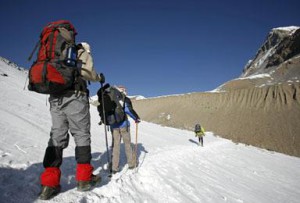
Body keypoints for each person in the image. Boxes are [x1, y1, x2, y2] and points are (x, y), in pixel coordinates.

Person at [39, 42, 105, 200]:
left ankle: (49, 184)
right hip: (75, 94)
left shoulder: (57, 52)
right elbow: (87, 72)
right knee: (81, 134)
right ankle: (84, 179)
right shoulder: (81, 52)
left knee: (57, 135)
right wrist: (98, 77)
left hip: (55, 97)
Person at [110, 86, 140, 175]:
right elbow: (128, 110)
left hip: (114, 126)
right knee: (127, 144)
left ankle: (114, 167)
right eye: (125, 90)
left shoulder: (111, 98)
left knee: (116, 146)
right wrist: (136, 118)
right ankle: (131, 164)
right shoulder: (124, 99)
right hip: (124, 126)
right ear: (123, 91)